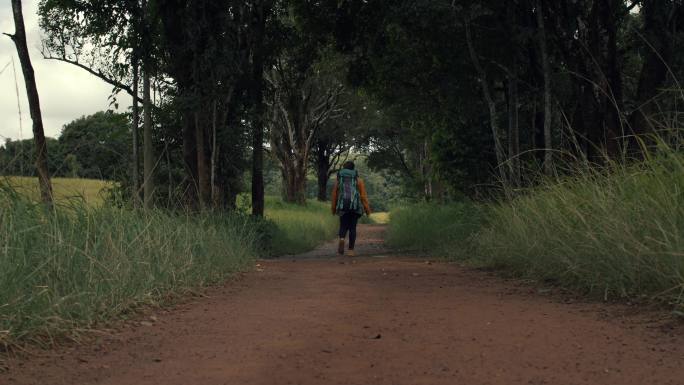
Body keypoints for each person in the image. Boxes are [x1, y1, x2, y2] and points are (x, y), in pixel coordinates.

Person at [331, 161, 371, 256]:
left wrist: (333, 208)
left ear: (344, 169)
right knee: (352, 227)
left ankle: (341, 239)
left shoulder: (339, 180)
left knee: (343, 226)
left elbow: (334, 195)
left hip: (342, 207)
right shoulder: (358, 180)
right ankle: (351, 250)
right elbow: (363, 196)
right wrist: (367, 209)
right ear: (353, 169)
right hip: (355, 208)